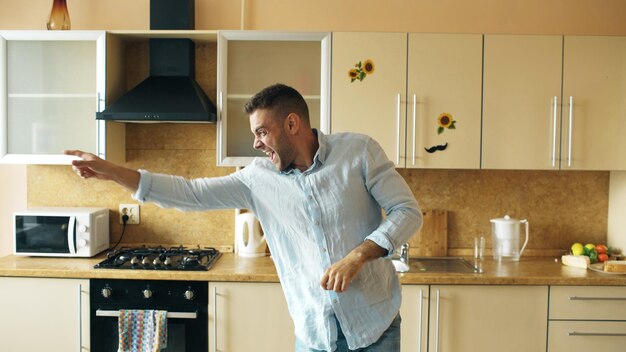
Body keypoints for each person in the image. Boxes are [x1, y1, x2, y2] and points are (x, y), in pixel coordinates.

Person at [66, 83, 422, 351]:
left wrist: (358, 255)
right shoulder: (256, 179)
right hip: (315, 333)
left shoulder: (358, 152)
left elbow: (407, 211)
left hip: (376, 327)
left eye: (262, 132)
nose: (256, 143)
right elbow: (189, 194)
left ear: (293, 123)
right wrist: (113, 172)